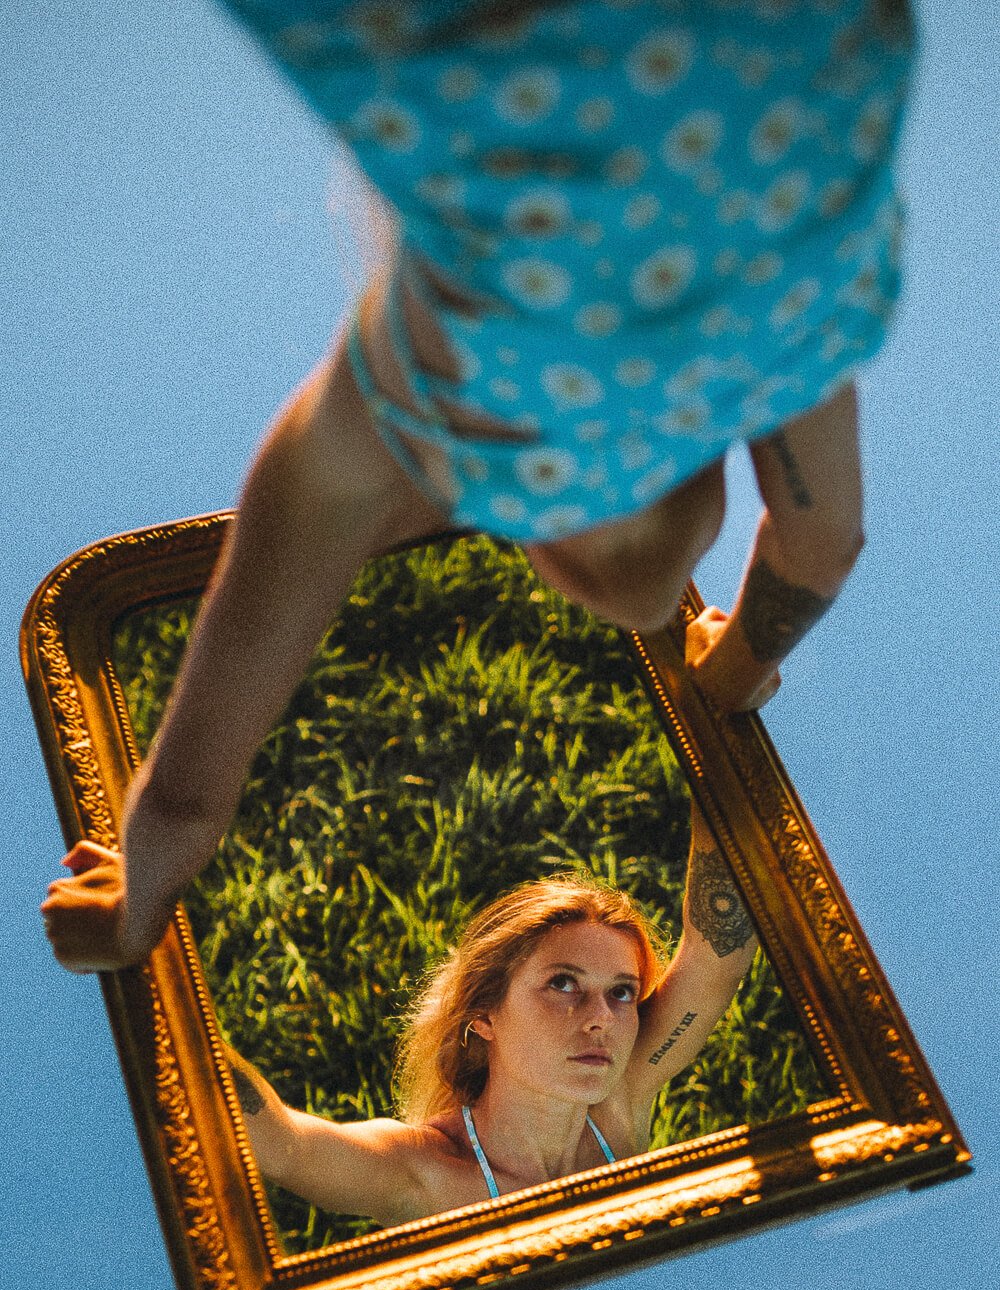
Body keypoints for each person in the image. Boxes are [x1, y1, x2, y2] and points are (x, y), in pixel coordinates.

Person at [44, 3, 911, 967]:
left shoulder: (797, 322)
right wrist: (133, 905)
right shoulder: (417, 394)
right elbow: (187, 792)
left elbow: (821, 546)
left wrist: (738, 668)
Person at [43, 801, 758, 1224]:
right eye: (564, 983)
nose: (600, 1017)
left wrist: (710, 727)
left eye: (622, 991)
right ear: (484, 1014)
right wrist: (151, 957)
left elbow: (718, 950)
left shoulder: (618, 1103)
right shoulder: (425, 1174)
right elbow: (280, 1145)